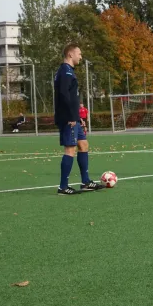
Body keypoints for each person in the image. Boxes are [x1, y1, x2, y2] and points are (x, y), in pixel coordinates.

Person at [54, 43, 105, 195]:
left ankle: (86, 182)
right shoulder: (65, 72)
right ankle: (63, 187)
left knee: (83, 144)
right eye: (79, 53)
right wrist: (71, 116)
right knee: (70, 148)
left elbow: (72, 97)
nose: (81, 56)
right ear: (70, 54)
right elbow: (64, 96)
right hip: (67, 117)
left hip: (74, 117)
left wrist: (78, 116)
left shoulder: (69, 71)